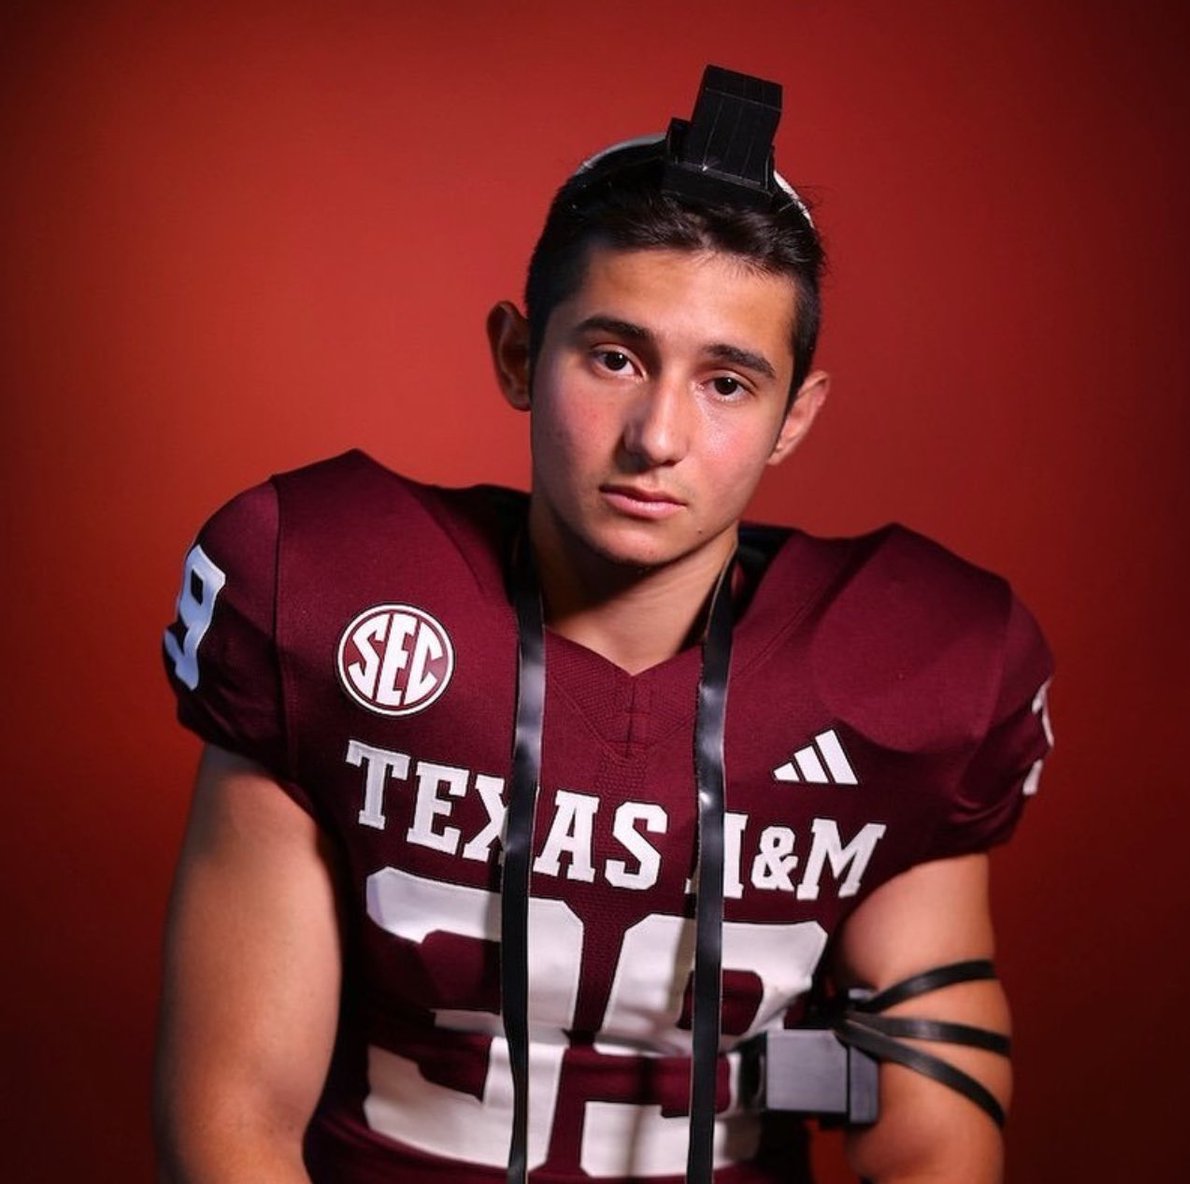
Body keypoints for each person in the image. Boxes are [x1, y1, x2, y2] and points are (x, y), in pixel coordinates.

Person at [155, 66, 1052, 1184]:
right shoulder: (325, 591)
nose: (658, 435)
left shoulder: (914, 668)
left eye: (728, 382)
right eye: (615, 357)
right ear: (520, 355)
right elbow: (234, 1113)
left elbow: (933, 1133)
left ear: (794, 417)